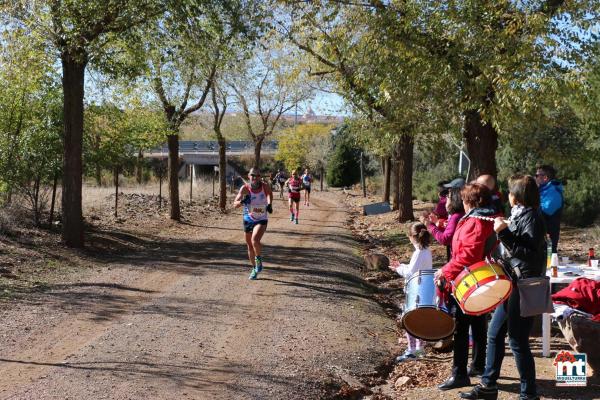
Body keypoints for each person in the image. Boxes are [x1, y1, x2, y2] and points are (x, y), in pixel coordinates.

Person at [460, 175, 546, 400]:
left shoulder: (533, 217)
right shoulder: (521, 214)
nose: (507, 195)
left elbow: (529, 252)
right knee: (494, 333)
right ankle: (488, 386)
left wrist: (503, 233)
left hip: (524, 285)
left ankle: (529, 394)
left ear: (517, 195)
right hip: (513, 283)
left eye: (510, 191)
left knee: (517, 341)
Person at [435, 183, 498, 391]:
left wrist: (445, 270)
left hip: (470, 281)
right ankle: (478, 365)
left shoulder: (476, 222)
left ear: (470, 201)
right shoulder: (480, 219)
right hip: (475, 279)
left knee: (462, 329)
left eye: (464, 198)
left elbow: (467, 256)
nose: (461, 201)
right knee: (479, 323)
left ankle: (460, 373)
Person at [388, 223, 433, 362]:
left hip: (416, 290)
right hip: (423, 288)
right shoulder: (426, 250)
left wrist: (398, 269)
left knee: (409, 320)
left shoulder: (418, 252)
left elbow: (410, 272)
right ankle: (419, 348)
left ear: (412, 237)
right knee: (419, 320)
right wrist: (401, 265)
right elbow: (415, 268)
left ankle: (412, 351)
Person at [233, 168, 273, 280]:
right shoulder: (245, 188)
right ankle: (254, 268)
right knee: (250, 246)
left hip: (261, 218)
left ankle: (258, 259)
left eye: (257, 175)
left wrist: (269, 204)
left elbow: (270, 194)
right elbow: (234, 204)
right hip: (248, 219)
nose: (255, 177)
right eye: (252, 175)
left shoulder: (264, 186)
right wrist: (242, 202)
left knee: (255, 240)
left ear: (260, 177)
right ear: (248, 176)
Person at [422, 186, 466, 262]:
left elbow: (445, 239)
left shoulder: (455, 217)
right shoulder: (460, 214)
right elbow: (450, 232)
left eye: (447, 197)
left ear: (454, 200)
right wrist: (436, 223)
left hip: (457, 257)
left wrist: (430, 225)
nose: (446, 199)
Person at [535, 165, 563, 253]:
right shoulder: (542, 190)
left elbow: (545, 211)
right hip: (539, 235)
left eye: (537, 175)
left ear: (545, 178)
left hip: (548, 237)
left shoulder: (554, 191)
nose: (535, 178)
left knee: (548, 261)